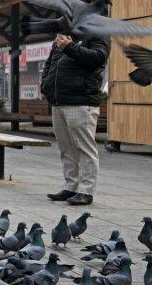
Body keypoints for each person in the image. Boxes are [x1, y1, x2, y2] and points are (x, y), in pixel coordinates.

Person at [39, 32, 109, 206]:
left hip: (81, 101)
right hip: (58, 101)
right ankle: (70, 186)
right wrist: (45, 86)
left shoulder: (97, 35)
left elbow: (98, 58)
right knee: (66, 148)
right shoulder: (64, 36)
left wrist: (69, 47)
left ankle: (86, 191)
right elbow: (50, 64)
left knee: (84, 148)